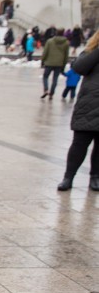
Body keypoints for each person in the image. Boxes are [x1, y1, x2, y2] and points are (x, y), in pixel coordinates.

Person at [57, 31, 99, 191]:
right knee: (79, 144)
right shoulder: (90, 52)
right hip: (88, 106)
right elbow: (79, 67)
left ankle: (95, 176)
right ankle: (68, 176)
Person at [41, 28, 70, 100]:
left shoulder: (50, 41)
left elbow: (45, 52)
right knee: (55, 79)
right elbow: (66, 55)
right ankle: (51, 93)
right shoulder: (66, 43)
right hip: (59, 63)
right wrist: (64, 64)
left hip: (49, 62)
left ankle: (46, 89)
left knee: (45, 76)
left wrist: (43, 60)